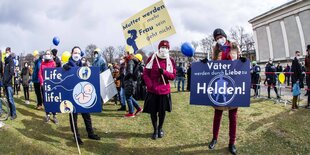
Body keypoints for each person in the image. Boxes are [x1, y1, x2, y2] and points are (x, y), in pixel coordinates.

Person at [202, 29, 247, 155]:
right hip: (220, 84)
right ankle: (214, 138)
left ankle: (232, 142)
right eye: (216, 38)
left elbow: (239, 62)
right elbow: (213, 65)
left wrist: (242, 62)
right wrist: (207, 63)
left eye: (220, 37)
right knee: (218, 114)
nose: (218, 39)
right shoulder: (215, 49)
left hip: (233, 83)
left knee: (233, 116)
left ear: (225, 37)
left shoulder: (234, 45)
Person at [63, 46, 100, 145]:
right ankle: (76, 136)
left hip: (82, 94)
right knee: (73, 117)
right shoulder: (67, 65)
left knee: (86, 115)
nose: (76, 54)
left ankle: (90, 133)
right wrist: (64, 69)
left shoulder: (83, 65)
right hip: (72, 95)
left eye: (78, 53)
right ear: (71, 53)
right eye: (75, 52)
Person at [143, 40, 176, 140]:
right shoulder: (152, 58)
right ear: (158, 48)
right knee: (153, 112)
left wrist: (164, 72)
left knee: (162, 112)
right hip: (153, 90)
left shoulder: (171, 61)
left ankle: (160, 128)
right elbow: (145, 73)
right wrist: (150, 85)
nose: (164, 49)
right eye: (162, 47)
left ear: (168, 49)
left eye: (166, 47)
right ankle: (155, 130)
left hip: (164, 91)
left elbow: (173, 76)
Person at [38, 50, 58, 124]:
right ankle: (47, 114)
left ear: (51, 55)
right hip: (44, 85)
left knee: (52, 100)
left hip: (52, 85)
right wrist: (42, 83)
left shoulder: (53, 63)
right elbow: (40, 74)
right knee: (46, 100)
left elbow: (55, 73)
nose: (47, 55)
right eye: (46, 54)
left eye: (48, 54)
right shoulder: (42, 64)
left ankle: (54, 115)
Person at [123, 50, 143, 118]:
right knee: (130, 96)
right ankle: (138, 108)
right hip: (133, 82)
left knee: (128, 97)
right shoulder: (137, 63)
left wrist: (125, 78)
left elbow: (130, 72)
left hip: (129, 81)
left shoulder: (131, 61)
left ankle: (131, 113)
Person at [3, 47, 17, 120]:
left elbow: (11, 73)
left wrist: (6, 81)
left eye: (8, 52)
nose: (6, 53)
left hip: (9, 84)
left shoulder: (11, 61)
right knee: (8, 100)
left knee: (11, 99)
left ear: (10, 52)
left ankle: (14, 114)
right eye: (6, 51)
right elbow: (4, 73)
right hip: (5, 84)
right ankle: (11, 113)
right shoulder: (6, 62)